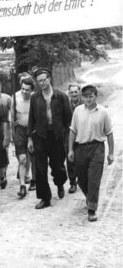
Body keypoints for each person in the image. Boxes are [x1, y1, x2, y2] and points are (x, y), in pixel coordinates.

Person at [68, 84, 114, 222]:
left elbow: (109, 134)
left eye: (91, 96)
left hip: (97, 148)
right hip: (80, 147)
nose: (88, 99)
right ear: (82, 97)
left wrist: (111, 153)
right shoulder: (77, 111)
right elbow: (72, 131)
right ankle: (90, 196)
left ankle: (92, 209)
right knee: (81, 178)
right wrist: (70, 149)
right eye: (86, 96)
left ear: (96, 96)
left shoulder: (103, 112)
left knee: (94, 179)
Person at [27, 68, 72, 209]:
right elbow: (31, 119)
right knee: (40, 169)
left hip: (57, 137)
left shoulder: (61, 96)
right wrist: (30, 138)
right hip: (40, 136)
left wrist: (68, 138)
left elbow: (69, 120)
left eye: (44, 79)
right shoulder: (35, 97)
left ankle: (59, 183)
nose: (42, 83)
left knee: (58, 166)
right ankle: (44, 198)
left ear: (49, 79)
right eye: (39, 81)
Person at [11, 77, 35, 198]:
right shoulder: (15, 97)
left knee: (33, 157)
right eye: (22, 89)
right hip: (20, 130)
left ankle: (34, 180)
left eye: (27, 90)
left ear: (32, 90)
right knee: (22, 159)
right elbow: (11, 116)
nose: (24, 92)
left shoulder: (35, 98)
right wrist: (11, 134)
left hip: (33, 130)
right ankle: (22, 186)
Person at [66, 83, 83, 194]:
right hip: (69, 136)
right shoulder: (66, 105)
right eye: (71, 92)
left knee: (82, 159)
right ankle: (72, 182)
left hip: (82, 135)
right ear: (69, 93)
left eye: (75, 91)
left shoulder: (84, 104)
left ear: (79, 92)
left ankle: (82, 180)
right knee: (70, 158)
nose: (73, 94)